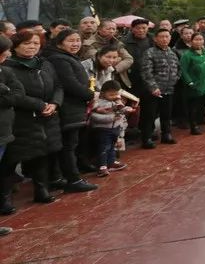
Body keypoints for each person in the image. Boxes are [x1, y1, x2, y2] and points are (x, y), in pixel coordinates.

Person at [0, 31, 63, 207]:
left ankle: (41, 190)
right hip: (19, 119)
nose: (32, 46)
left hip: (46, 117)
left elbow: (58, 85)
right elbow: (16, 95)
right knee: (11, 159)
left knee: (41, 153)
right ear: (15, 46)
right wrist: (39, 105)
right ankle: (5, 198)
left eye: (35, 43)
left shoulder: (45, 64)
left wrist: (54, 103)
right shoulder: (8, 67)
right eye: (27, 43)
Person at [43, 29, 99, 193]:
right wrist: (90, 94)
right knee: (68, 146)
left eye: (77, 40)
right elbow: (69, 84)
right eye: (71, 41)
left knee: (67, 145)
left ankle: (58, 177)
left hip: (74, 108)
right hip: (68, 108)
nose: (75, 44)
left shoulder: (65, 57)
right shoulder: (59, 59)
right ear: (60, 43)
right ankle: (73, 180)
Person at [139, 29, 180, 147]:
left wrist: (174, 80)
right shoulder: (149, 52)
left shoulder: (172, 52)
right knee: (149, 116)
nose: (164, 39)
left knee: (166, 114)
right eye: (161, 37)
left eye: (167, 36)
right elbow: (146, 72)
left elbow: (178, 69)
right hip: (153, 91)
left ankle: (166, 135)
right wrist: (153, 87)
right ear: (155, 39)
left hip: (169, 89)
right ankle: (146, 138)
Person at [0, 35, 21, 233]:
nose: (8, 54)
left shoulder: (6, 71)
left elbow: (17, 95)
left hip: (4, 132)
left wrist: (6, 91)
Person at [90, 80, 132, 176]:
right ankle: (102, 166)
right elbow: (94, 117)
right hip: (103, 129)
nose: (115, 97)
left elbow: (121, 110)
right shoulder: (99, 103)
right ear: (103, 93)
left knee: (112, 147)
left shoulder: (116, 102)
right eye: (111, 95)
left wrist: (127, 109)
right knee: (104, 147)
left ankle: (111, 162)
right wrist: (111, 118)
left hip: (114, 128)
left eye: (116, 94)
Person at [78, 20, 134, 86]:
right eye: (108, 29)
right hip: (95, 77)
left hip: (116, 76)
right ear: (99, 29)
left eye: (114, 29)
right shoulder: (89, 43)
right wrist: (119, 59)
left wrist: (114, 69)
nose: (111, 31)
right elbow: (98, 59)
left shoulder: (117, 43)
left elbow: (129, 59)